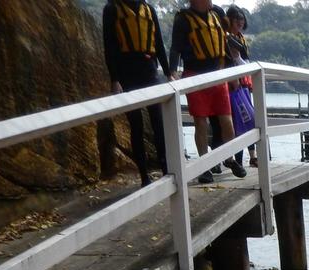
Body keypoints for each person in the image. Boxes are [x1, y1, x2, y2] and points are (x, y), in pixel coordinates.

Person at [169, 0, 246, 183]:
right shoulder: (183, 19)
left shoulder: (217, 14)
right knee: (201, 122)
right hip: (195, 75)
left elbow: (227, 36)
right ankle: (204, 165)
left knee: (226, 120)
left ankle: (230, 158)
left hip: (217, 74)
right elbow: (175, 48)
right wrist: (172, 71)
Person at [102, 0, 171, 186]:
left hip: (149, 71)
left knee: (158, 122)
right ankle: (144, 175)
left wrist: (168, 72)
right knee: (136, 125)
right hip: (127, 73)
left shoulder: (149, 9)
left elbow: (158, 43)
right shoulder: (112, 8)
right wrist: (115, 79)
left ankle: (166, 169)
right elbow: (109, 46)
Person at [225, 5, 259, 168]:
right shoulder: (227, 38)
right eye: (236, 19)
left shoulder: (240, 38)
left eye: (242, 19)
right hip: (233, 87)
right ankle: (237, 160)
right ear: (229, 20)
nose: (240, 22)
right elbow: (234, 61)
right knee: (239, 122)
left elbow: (244, 60)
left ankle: (252, 156)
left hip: (244, 85)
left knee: (249, 120)